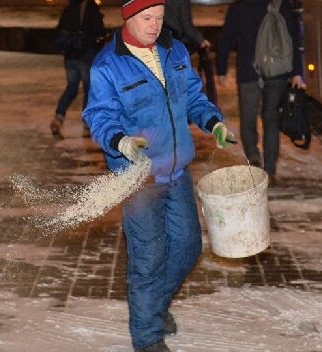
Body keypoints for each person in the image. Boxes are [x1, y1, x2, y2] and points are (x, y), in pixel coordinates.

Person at [82, 0, 235, 350]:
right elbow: (99, 116)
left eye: (159, 18)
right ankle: (148, 337)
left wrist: (213, 122)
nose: (154, 25)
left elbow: (194, 97)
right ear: (129, 18)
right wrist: (119, 141)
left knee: (187, 245)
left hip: (177, 170)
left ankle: (151, 306)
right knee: (148, 257)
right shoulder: (108, 64)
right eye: (147, 18)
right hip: (139, 177)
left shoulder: (174, 50)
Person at [215, 0, 305, 187]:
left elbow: (226, 38)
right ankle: (270, 170)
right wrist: (297, 72)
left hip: (248, 72)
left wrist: (221, 69)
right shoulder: (282, 5)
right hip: (277, 72)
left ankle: (254, 160)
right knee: (271, 120)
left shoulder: (239, 6)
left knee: (248, 119)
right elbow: (294, 39)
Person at [50, 0, 106, 138]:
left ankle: (59, 117)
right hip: (85, 54)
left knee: (71, 87)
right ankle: (87, 121)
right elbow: (98, 31)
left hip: (70, 56)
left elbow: (59, 30)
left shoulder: (69, 9)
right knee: (88, 87)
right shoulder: (91, 9)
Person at [163, 0, 218, 105]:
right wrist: (201, 40)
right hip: (178, 43)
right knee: (204, 59)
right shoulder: (182, 2)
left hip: (162, 42)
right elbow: (187, 27)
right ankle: (210, 101)